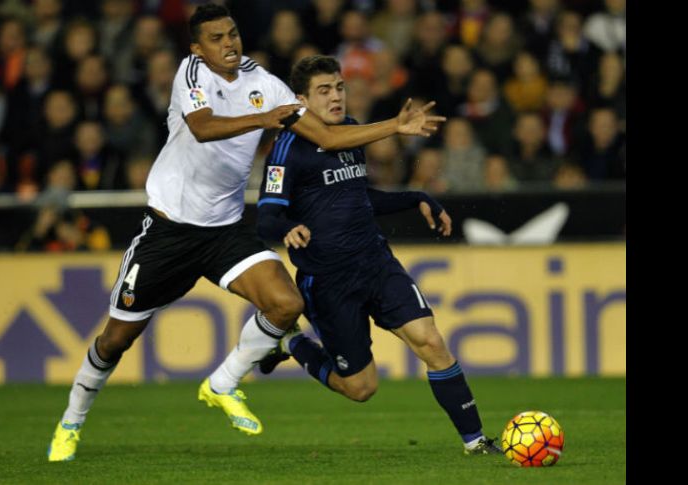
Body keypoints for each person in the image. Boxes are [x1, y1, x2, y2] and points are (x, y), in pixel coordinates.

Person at [47, 3, 445, 462]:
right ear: (198, 47)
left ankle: (223, 383)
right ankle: (72, 421)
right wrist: (261, 119)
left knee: (286, 303)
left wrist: (394, 126)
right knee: (116, 339)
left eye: (232, 33)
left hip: (225, 232)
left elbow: (330, 138)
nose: (228, 44)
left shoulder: (266, 84)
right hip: (169, 231)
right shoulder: (191, 74)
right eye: (215, 38)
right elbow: (202, 128)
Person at [255, 55, 501, 455]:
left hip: (375, 263)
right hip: (329, 280)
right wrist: (286, 228)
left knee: (431, 341)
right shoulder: (287, 149)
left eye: (339, 87)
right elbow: (266, 216)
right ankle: (291, 344)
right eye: (324, 91)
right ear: (300, 99)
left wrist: (417, 198)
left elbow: (358, 199)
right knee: (361, 387)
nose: (335, 97)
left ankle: (475, 442)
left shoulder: (352, 133)